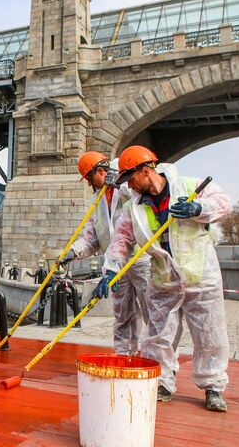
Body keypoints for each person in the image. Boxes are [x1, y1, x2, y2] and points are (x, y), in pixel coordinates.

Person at [100, 145, 231, 412]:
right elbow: (120, 241)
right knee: (158, 334)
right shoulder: (133, 209)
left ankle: (213, 387)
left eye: (130, 179)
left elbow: (223, 203)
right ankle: (161, 382)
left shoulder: (189, 185)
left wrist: (198, 208)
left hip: (199, 274)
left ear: (145, 171)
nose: (129, 186)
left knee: (209, 333)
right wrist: (111, 270)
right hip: (163, 277)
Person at [59, 151, 150, 356]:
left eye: (90, 179)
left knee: (152, 311)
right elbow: (92, 238)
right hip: (114, 265)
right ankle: (124, 355)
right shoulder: (96, 201)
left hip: (141, 259)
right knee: (122, 314)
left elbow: (144, 195)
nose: (90, 185)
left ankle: (158, 362)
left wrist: (119, 183)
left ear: (99, 171)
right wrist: (72, 252)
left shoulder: (128, 182)